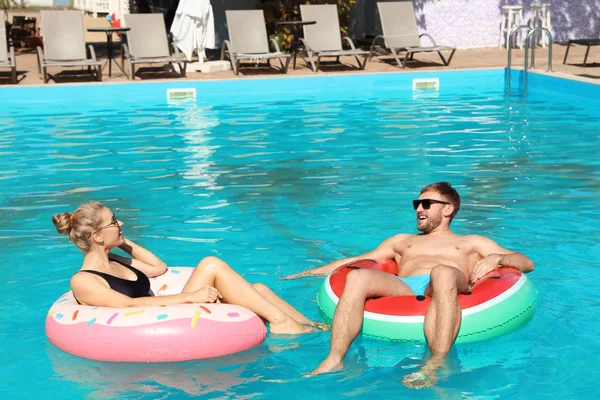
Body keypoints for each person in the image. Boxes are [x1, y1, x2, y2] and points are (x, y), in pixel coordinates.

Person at [281, 182, 534, 387]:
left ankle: (434, 364)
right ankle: (334, 359)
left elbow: (526, 262)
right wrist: (308, 273)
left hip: (446, 281)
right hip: (406, 286)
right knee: (357, 277)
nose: (418, 209)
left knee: (442, 271)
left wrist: (497, 258)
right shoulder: (403, 240)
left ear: (448, 210)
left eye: (426, 203)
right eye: (416, 203)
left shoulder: (471, 242)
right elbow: (358, 261)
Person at [52, 201, 326, 335]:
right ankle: (281, 324)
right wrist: (189, 297)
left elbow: (157, 267)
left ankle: (311, 327)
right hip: (158, 321)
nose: (121, 223)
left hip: (170, 308)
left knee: (259, 289)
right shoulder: (84, 281)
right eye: (114, 221)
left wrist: (120, 240)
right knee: (211, 264)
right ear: (97, 236)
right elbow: (126, 306)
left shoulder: (117, 261)